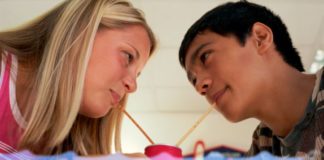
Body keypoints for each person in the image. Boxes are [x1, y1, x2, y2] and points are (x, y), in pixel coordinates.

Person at [0, 0, 156, 156]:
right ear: (82, 33)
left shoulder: (67, 141)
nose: (133, 86)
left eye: (137, 75)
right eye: (128, 56)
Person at [178, 0, 323, 158]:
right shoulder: (263, 143)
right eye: (194, 81)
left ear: (260, 38)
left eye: (205, 56)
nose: (200, 87)